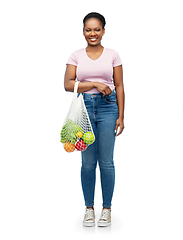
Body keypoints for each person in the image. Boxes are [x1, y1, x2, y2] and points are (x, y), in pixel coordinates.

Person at [64, 12, 125, 227]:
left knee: (106, 162)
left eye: (97, 29)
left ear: (103, 31)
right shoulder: (75, 56)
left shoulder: (113, 55)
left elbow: (119, 86)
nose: (93, 33)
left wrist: (121, 116)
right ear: (83, 32)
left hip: (109, 108)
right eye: (88, 29)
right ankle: (89, 209)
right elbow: (68, 84)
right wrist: (94, 84)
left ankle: (106, 209)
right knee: (88, 163)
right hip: (85, 109)